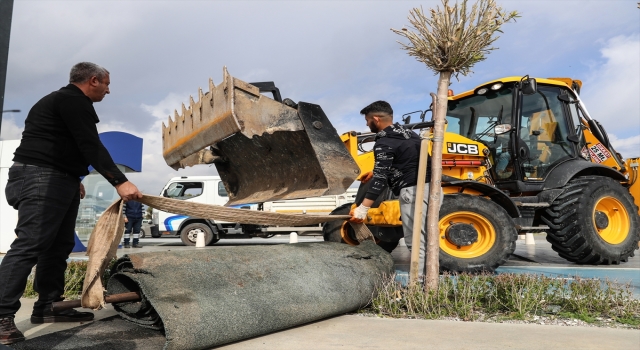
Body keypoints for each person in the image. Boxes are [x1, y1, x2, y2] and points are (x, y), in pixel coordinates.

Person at [0, 62, 142, 345]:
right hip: (41, 177)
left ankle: (48, 306)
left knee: (58, 246)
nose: (108, 90)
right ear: (93, 80)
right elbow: (90, 144)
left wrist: (70, 175)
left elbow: (61, 145)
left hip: (53, 177)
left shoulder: (61, 102)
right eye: (106, 84)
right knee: (30, 244)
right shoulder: (73, 101)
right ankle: (1, 316)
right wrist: (119, 180)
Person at [349, 100, 441, 279]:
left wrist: (362, 209)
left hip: (412, 192)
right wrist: (375, 173)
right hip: (432, 190)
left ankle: (419, 285)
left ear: (376, 118)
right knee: (428, 239)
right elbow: (408, 162)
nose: (367, 124)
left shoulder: (385, 141)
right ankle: (430, 280)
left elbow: (382, 179)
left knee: (416, 242)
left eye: (367, 120)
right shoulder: (410, 134)